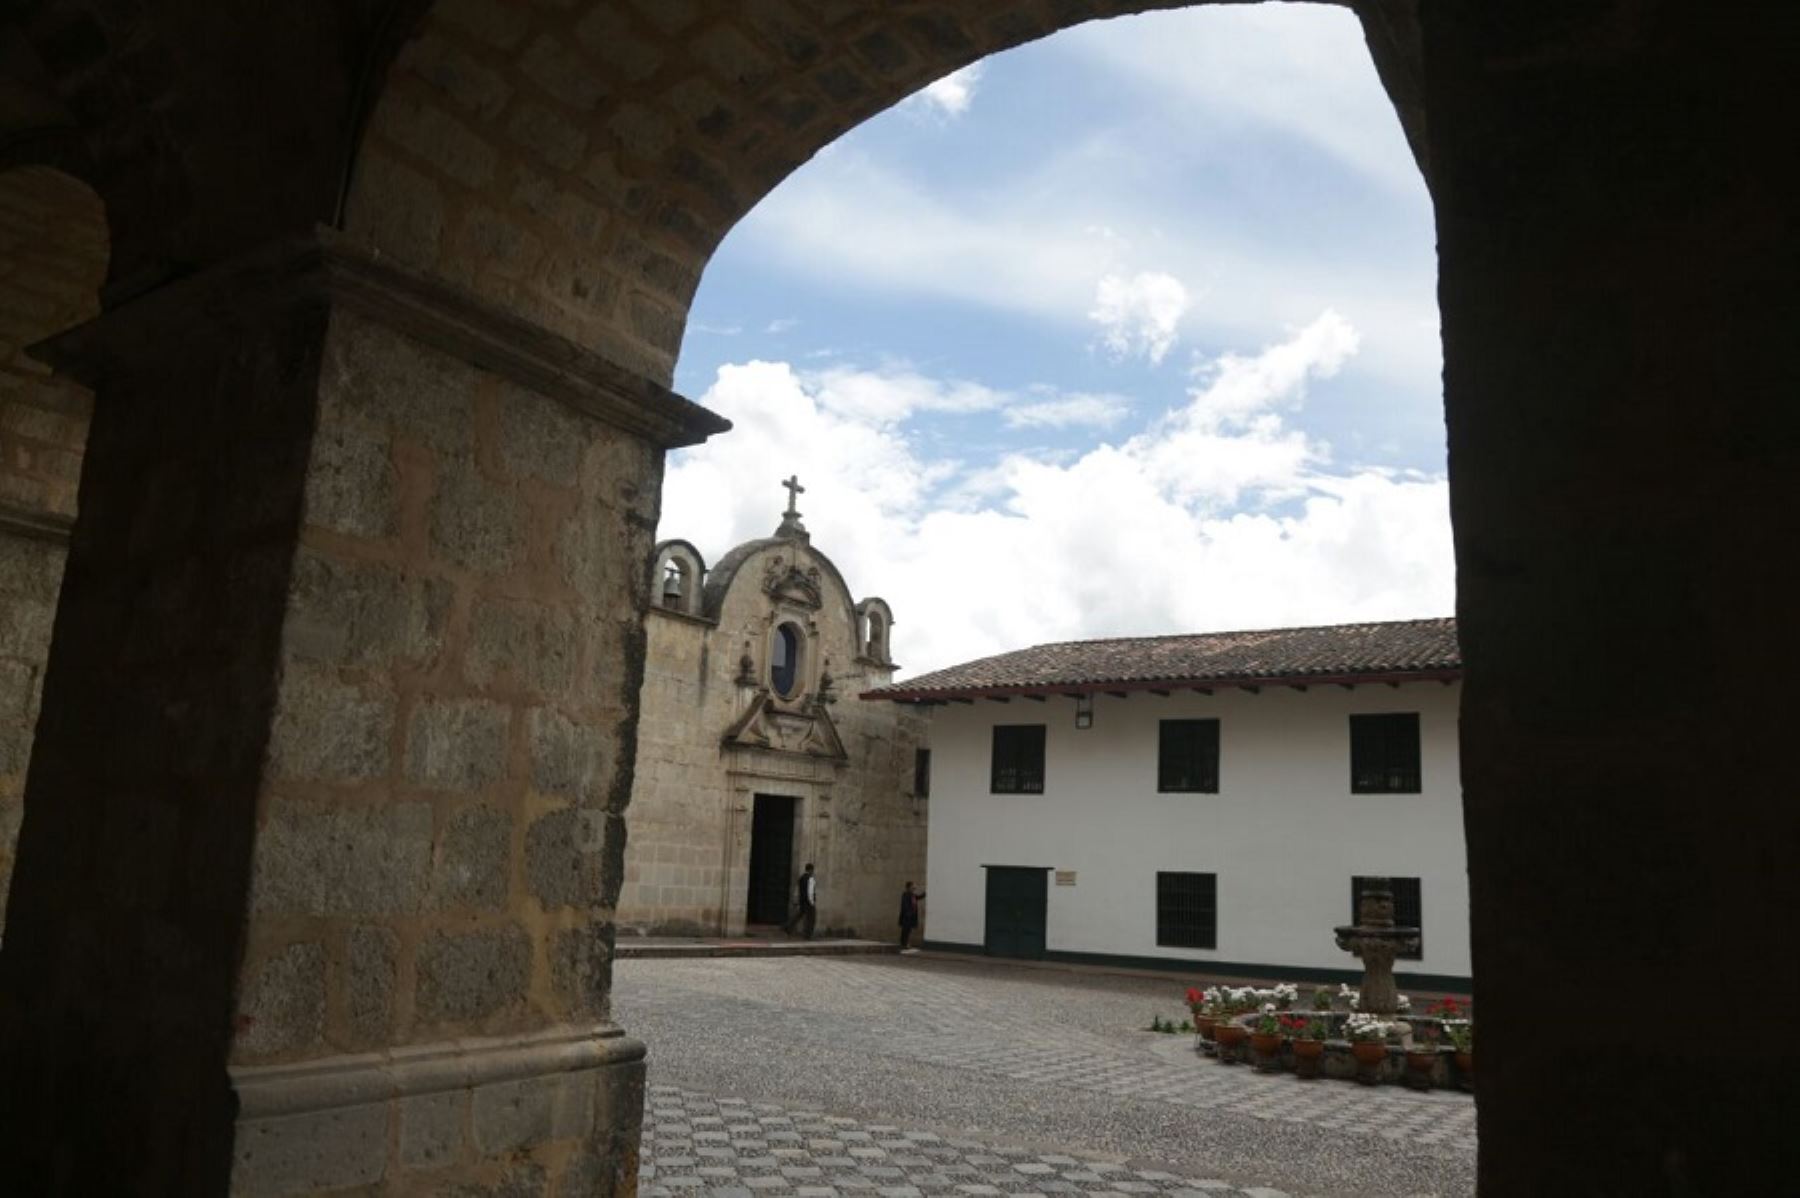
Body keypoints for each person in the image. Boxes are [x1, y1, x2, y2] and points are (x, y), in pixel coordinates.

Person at [783, 863, 817, 939]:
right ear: (811, 870)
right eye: (812, 870)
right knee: (811, 919)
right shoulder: (810, 879)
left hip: (802, 901)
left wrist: (797, 900)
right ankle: (808, 935)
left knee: (798, 915)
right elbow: (810, 892)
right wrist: (812, 902)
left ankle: (787, 927)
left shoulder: (801, 878)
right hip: (808, 902)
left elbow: (798, 889)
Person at [898, 881, 925, 951]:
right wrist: (908, 913)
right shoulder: (905, 894)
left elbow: (919, 897)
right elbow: (905, 905)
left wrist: (925, 893)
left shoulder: (913, 895)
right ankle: (903, 944)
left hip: (911, 917)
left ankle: (905, 944)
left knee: (908, 931)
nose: (915, 887)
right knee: (905, 931)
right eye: (913, 886)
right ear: (909, 887)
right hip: (906, 917)